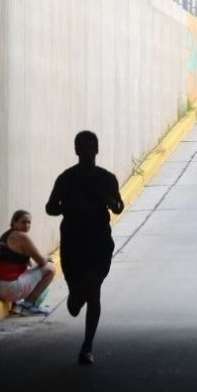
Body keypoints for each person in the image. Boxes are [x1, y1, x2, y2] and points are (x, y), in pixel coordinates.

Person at [45, 130, 124, 365]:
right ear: (77, 150)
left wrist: (109, 201)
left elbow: (119, 206)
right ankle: (74, 298)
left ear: (97, 150)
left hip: (99, 242)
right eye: (84, 148)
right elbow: (50, 207)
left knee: (94, 290)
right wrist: (69, 206)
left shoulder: (106, 179)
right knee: (76, 303)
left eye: (92, 148)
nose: (88, 152)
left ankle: (87, 346)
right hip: (73, 243)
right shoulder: (67, 178)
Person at [0, 210, 56, 316]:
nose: (27, 225)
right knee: (50, 269)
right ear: (14, 223)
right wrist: (47, 257)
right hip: (8, 289)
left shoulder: (6, 235)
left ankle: (18, 304)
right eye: (23, 222)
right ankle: (28, 305)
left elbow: (27, 264)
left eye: (29, 222)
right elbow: (42, 262)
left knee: (28, 270)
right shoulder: (21, 236)